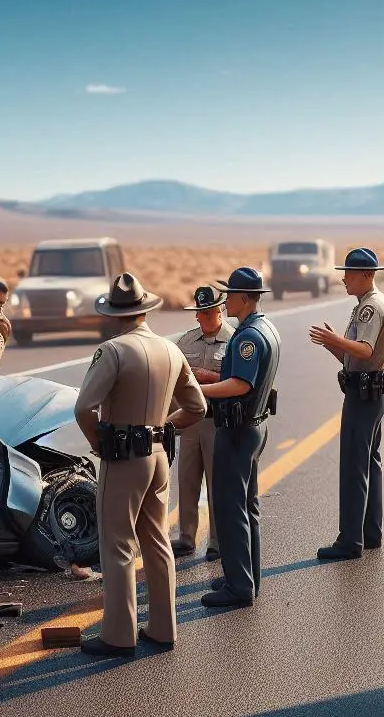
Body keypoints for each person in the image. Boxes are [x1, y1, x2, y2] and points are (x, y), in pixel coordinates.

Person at [72, 273, 209, 656]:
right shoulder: (171, 350)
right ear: (144, 311)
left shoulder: (113, 351)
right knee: (157, 539)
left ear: (116, 314)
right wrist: (165, 426)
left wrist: (99, 442)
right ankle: (164, 628)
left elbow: (85, 407)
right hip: (159, 455)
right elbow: (197, 407)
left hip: (123, 458)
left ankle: (118, 634)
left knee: (117, 544)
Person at [195, 267, 281, 609]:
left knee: (231, 508)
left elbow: (240, 385)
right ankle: (245, 576)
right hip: (253, 425)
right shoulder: (265, 328)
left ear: (245, 298)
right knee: (247, 506)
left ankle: (239, 587)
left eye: (230, 295)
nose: (226, 300)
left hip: (237, 429)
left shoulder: (247, 337)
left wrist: (200, 390)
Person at [309, 247, 384, 560]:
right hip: (371, 392)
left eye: (348, 273)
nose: (344, 279)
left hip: (364, 396)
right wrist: (333, 344)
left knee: (354, 468)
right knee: (371, 462)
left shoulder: (370, 307)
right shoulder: (372, 303)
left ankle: (350, 541)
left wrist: (335, 340)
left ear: (365, 275)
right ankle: (370, 533)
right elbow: (352, 357)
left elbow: (363, 349)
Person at [169, 284, 232, 561]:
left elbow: (239, 382)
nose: (202, 317)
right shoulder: (185, 342)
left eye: (207, 312)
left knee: (217, 481)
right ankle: (186, 537)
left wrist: (208, 376)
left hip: (217, 421)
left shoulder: (235, 340)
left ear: (220, 310)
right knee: (187, 479)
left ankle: (218, 540)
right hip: (191, 421)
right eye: (199, 312)